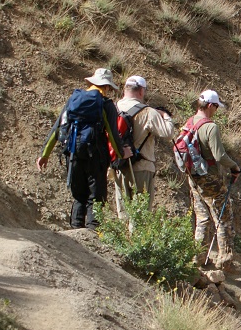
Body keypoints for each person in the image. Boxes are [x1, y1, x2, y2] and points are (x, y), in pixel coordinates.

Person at [36, 67, 128, 229]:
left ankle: (75, 231)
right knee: (96, 197)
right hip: (96, 156)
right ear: (107, 86)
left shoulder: (74, 100)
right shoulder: (106, 105)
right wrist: (121, 153)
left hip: (73, 153)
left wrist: (45, 154)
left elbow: (58, 128)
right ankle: (92, 233)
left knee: (79, 196)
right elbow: (113, 134)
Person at [182, 89, 241, 268]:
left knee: (202, 217)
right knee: (223, 217)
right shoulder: (210, 127)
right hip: (209, 177)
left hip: (193, 176)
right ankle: (225, 260)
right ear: (210, 105)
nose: (216, 110)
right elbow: (220, 155)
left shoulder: (190, 122)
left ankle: (198, 258)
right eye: (216, 107)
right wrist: (235, 167)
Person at [113, 75, 176, 211]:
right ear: (141, 91)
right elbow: (168, 133)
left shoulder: (113, 108)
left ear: (125, 89)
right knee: (141, 214)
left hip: (118, 166)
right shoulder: (148, 112)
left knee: (123, 214)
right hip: (141, 167)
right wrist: (166, 116)